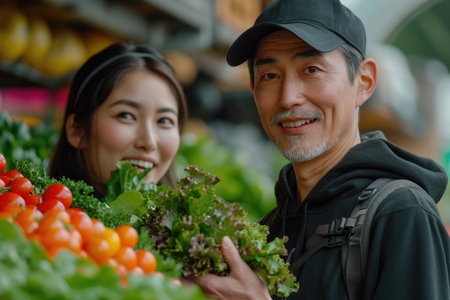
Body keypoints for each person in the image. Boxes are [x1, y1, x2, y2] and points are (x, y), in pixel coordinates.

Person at [193, 0, 450, 299]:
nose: (288, 98)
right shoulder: (271, 228)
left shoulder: (401, 215)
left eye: (311, 69)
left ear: (364, 82)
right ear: (253, 88)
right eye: (270, 76)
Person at [49, 43, 188, 197]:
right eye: (126, 116)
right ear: (77, 131)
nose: (149, 142)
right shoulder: (42, 217)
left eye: (164, 121)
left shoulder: (183, 220)